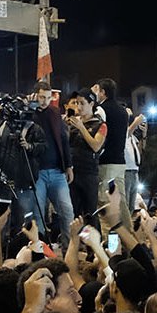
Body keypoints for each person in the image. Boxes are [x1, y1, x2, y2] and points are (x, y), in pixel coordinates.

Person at [20, 80, 74, 241]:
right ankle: (41, 251)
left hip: (57, 170)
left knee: (67, 210)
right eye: (42, 97)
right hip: (37, 172)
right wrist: (28, 108)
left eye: (48, 98)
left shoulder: (55, 112)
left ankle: (69, 248)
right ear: (35, 95)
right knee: (38, 215)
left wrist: (69, 165)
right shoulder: (28, 112)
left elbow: (63, 139)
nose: (45, 101)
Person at [64, 91, 106, 220]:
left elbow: (96, 146)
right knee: (73, 213)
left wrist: (81, 127)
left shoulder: (100, 124)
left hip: (89, 173)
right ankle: (75, 239)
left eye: (82, 103)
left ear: (91, 104)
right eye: (77, 103)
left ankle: (94, 239)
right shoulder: (72, 123)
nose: (79, 107)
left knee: (90, 214)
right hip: (72, 173)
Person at [94, 79, 129, 225]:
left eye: (98, 90)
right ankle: (130, 237)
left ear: (103, 92)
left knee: (107, 204)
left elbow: (100, 134)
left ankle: (111, 243)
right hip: (120, 162)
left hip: (106, 162)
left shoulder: (101, 110)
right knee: (120, 201)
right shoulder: (123, 111)